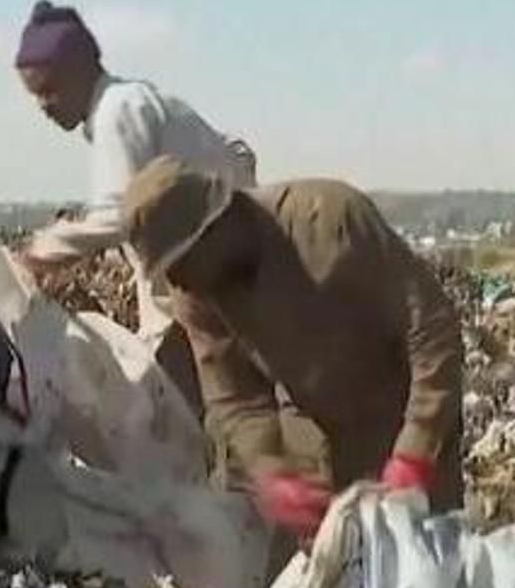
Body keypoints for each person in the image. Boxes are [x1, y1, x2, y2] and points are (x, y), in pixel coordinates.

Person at [120, 156, 464, 536]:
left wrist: (416, 450)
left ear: (217, 224)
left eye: (181, 264)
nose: (179, 283)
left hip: (402, 419)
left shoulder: (330, 220)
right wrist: (272, 471)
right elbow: (234, 397)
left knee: (428, 569)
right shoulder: (198, 293)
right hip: (314, 441)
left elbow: (431, 330)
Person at [13, 0, 255, 411]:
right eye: (36, 96)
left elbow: (119, 216)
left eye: (49, 91)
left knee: (173, 413)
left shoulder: (116, 113)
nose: (44, 107)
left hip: (207, 287)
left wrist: (38, 253)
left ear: (78, 72)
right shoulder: (137, 101)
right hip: (221, 279)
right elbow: (237, 154)